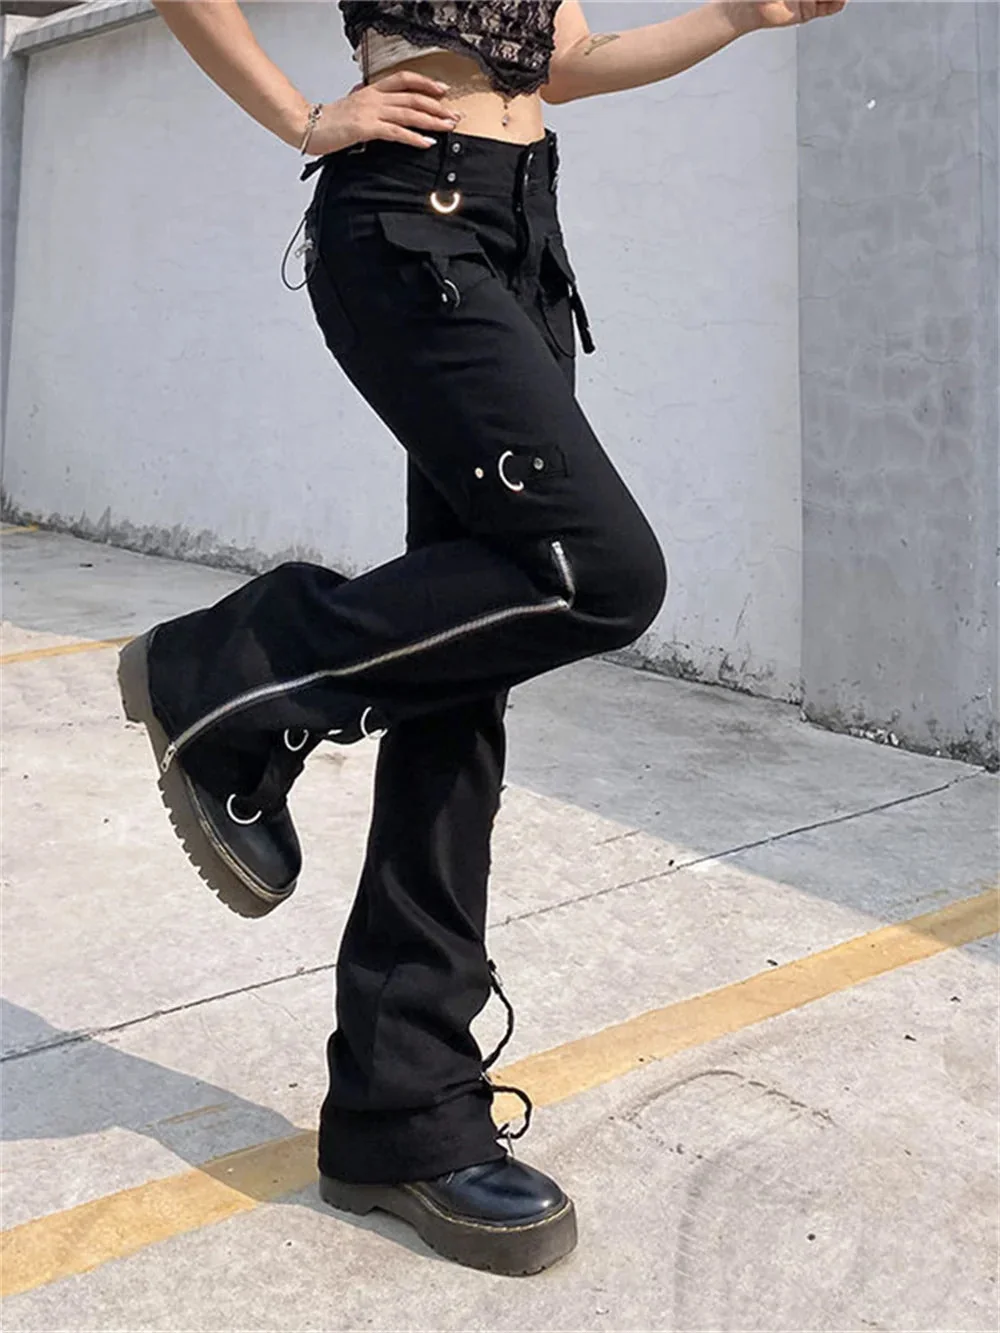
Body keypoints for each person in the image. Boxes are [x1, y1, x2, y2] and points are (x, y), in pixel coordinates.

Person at [120, 0, 846, 1276]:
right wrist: (304, 118)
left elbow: (563, 59)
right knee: (598, 573)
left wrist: (741, 15)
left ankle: (402, 1111)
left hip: (522, 230)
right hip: (413, 219)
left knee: (467, 671)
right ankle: (228, 671)